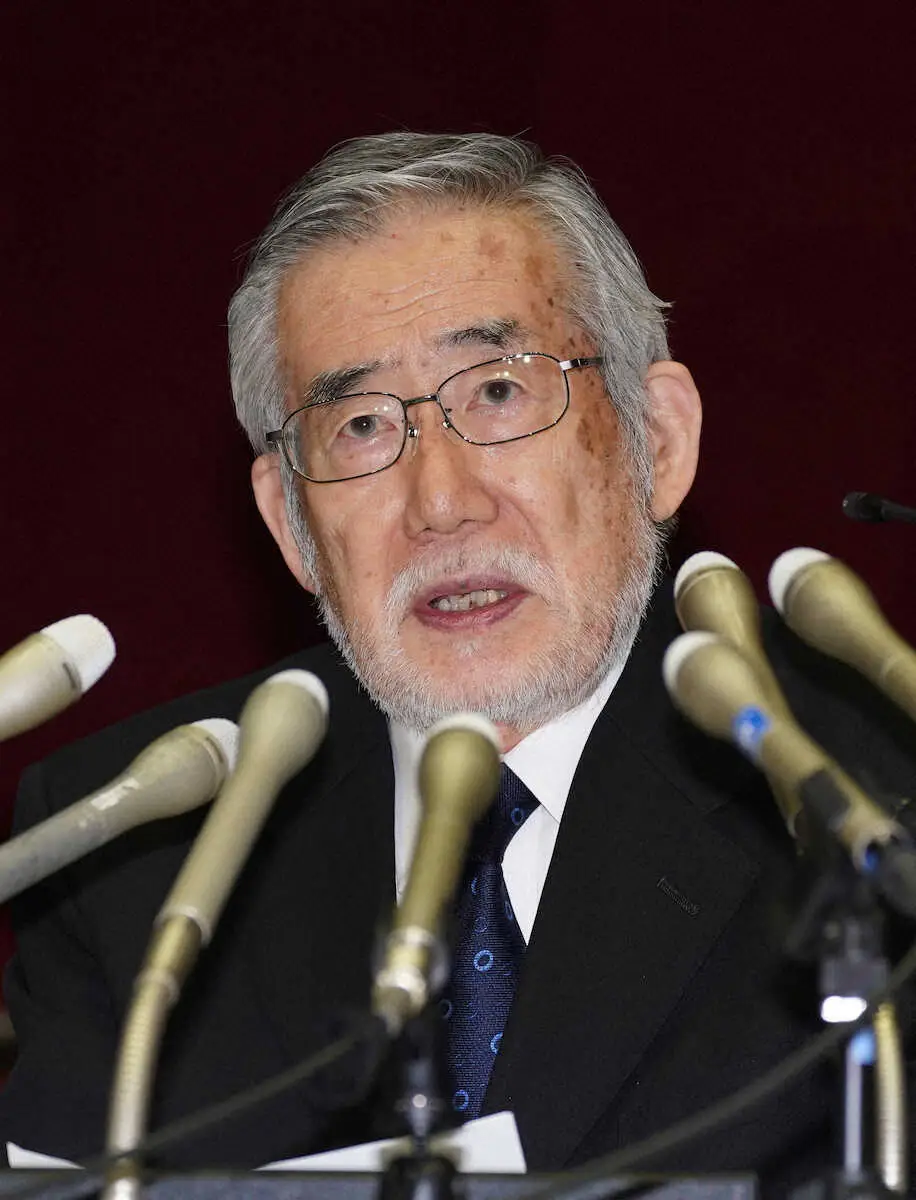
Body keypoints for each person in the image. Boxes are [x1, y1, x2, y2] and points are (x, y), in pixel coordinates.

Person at [1, 133, 914, 1191]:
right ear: (291, 523)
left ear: (657, 441)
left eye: (497, 393)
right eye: (359, 425)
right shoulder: (141, 853)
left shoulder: (868, 795)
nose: (440, 502)